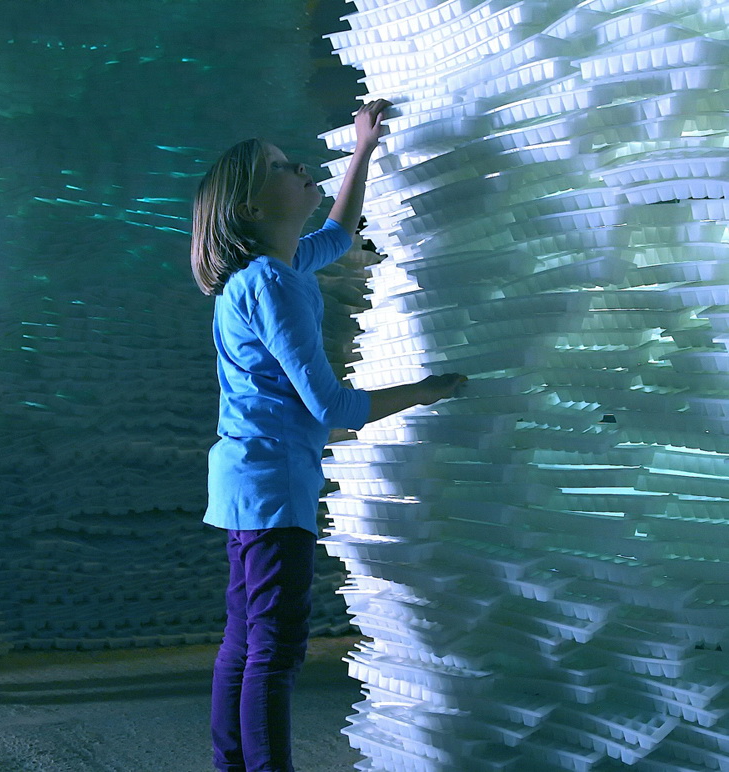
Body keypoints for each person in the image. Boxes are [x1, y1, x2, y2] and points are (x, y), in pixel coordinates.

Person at [190, 100, 466, 771]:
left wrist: (364, 150)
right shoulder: (273, 286)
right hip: (273, 482)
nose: (300, 168)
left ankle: (235, 764)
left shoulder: (269, 271)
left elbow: (339, 232)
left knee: (244, 639)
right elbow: (333, 406)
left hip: (247, 478)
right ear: (251, 208)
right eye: (282, 168)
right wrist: (427, 390)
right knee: (274, 649)